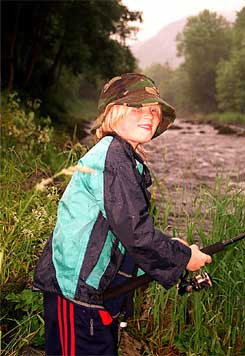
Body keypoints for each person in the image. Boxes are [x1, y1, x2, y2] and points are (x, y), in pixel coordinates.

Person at [33, 73, 212, 356]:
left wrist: (172, 249)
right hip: (76, 297)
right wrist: (184, 257)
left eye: (154, 110)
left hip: (93, 299)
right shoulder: (113, 157)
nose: (150, 116)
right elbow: (137, 233)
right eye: (137, 107)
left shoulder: (124, 158)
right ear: (114, 112)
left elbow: (122, 235)